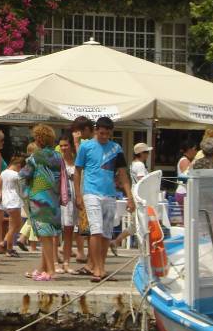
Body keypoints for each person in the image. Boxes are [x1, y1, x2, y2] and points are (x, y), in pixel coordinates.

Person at [73, 117, 133, 282]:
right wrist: (78, 195)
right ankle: (97, 268)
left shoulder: (116, 148)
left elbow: (123, 174)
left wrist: (130, 197)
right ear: (95, 130)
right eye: (101, 133)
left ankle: (102, 267)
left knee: (106, 233)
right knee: (96, 231)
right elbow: (77, 171)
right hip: (91, 193)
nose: (104, 136)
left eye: (107, 134)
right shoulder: (86, 147)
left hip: (110, 194)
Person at [21, 125, 63, 282]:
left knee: (44, 237)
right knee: (49, 235)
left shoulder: (36, 156)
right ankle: (42, 268)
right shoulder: (58, 156)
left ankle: (51, 271)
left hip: (40, 198)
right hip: (54, 198)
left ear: (39, 139)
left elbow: (24, 174)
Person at [57, 133, 78, 273]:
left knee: (69, 230)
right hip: (60, 198)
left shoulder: (77, 161)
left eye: (66, 145)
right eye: (61, 145)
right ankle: (54, 261)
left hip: (73, 198)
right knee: (56, 231)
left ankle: (66, 262)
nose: (63, 148)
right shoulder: (57, 161)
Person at [0, 154, 24, 258]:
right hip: (14, 201)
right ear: (18, 166)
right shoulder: (16, 175)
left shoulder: (3, 173)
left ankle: (7, 245)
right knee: (16, 226)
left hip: (6, 201)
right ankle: (7, 245)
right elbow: (22, 188)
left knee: (12, 225)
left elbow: (0, 185)